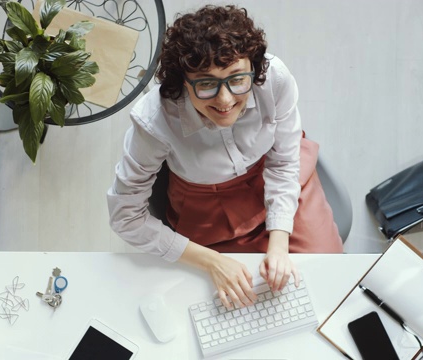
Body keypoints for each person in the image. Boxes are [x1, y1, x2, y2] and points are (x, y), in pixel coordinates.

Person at [107, 4, 343, 309]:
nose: (226, 100)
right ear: (182, 82)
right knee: (231, 307)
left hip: (279, 182)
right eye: (206, 83)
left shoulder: (275, 80)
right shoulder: (154, 121)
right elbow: (125, 217)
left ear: (253, 69)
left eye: (236, 78)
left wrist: (280, 241)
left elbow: (284, 162)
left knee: (331, 283)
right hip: (209, 210)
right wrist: (212, 262)